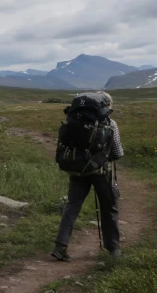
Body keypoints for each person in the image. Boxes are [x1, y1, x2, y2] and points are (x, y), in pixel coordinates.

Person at [51, 91, 124, 261]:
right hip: (101, 172)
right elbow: (118, 152)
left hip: (78, 169)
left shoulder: (74, 119)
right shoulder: (110, 123)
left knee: (72, 206)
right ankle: (113, 249)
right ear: (107, 105)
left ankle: (60, 246)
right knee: (109, 208)